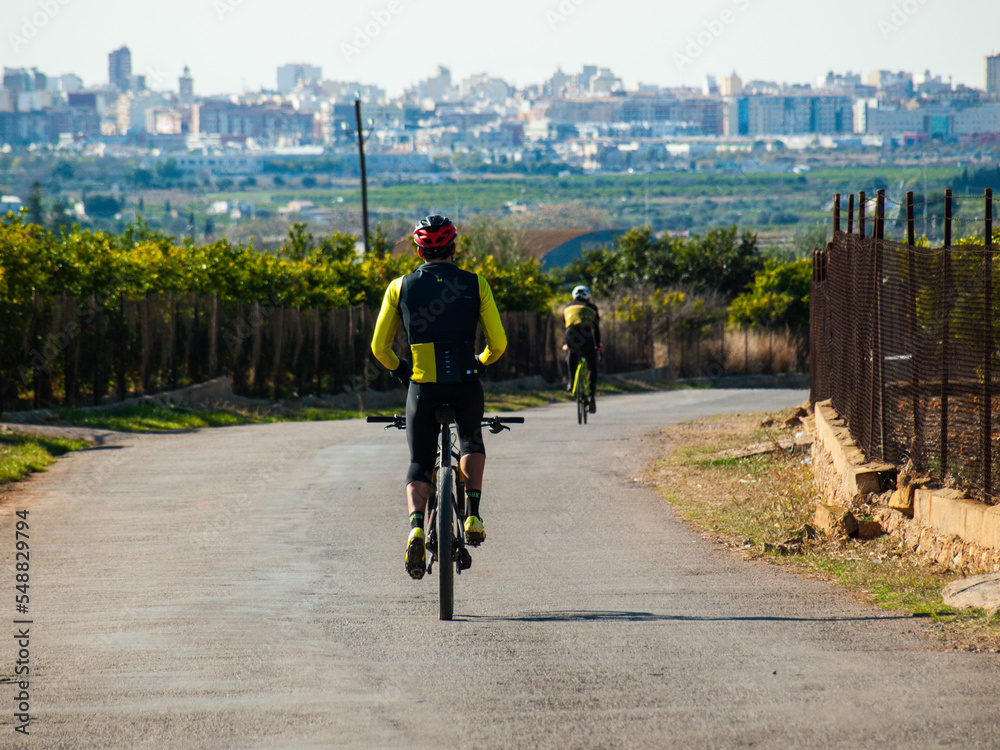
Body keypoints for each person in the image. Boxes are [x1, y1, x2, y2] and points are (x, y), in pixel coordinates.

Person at [371, 215, 507, 580]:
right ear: (454, 248)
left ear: (419, 251)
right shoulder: (476, 284)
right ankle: (473, 515)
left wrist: (402, 370)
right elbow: (498, 344)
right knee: (471, 441)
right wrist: (480, 362)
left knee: (420, 460)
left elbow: (379, 348)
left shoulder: (399, 287)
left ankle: (416, 527)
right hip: (465, 383)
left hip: (423, 387)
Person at [562, 285, 602, 413]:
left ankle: (571, 381)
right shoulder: (592, 308)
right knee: (592, 365)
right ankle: (591, 395)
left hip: (570, 334)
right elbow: (596, 329)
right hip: (586, 334)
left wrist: (567, 344)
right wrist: (598, 345)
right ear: (588, 298)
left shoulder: (567, 307)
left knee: (571, 354)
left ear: (574, 298)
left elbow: (568, 325)